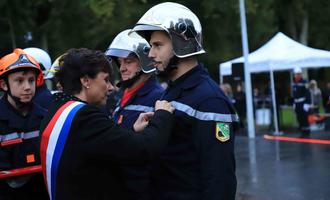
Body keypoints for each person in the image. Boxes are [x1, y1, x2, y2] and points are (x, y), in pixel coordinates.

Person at [131, 2, 238, 199]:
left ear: (183, 43)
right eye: (150, 46)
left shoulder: (209, 100)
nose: (150, 54)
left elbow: (219, 179)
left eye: (158, 46)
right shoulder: (172, 91)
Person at [39, 48, 175, 200]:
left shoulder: (56, 109)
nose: (111, 87)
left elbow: (99, 146)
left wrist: (131, 130)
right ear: (85, 81)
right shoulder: (85, 117)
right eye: (105, 80)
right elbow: (143, 149)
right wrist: (162, 115)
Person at [105, 29, 164, 200]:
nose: (122, 68)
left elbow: (152, 148)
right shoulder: (120, 95)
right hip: (121, 185)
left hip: (143, 188)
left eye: (128, 62)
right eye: (120, 62)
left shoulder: (157, 97)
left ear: (145, 62)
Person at [0, 48, 48, 199]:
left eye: (31, 80)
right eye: (19, 80)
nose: (27, 87)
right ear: (4, 85)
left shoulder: (47, 118)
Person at [292, 67, 311, 137]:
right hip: (297, 103)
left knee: (304, 118)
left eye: (298, 74)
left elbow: (307, 93)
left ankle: (307, 132)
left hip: (303, 103)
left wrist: (307, 104)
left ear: (300, 74)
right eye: (295, 74)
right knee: (299, 117)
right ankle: (302, 131)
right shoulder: (294, 83)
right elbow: (294, 94)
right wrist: (293, 103)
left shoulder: (304, 82)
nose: (296, 76)